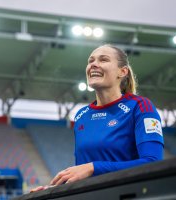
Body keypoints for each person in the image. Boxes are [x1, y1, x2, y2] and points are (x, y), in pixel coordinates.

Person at [30, 44, 164, 192]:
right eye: (90, 61)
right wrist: (52, 191)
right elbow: (83, 174)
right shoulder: (82, 116)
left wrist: (94, 167)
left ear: (122, 71)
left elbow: (153, 163)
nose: (93, 64)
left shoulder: (140, 106)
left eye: (103, 60)